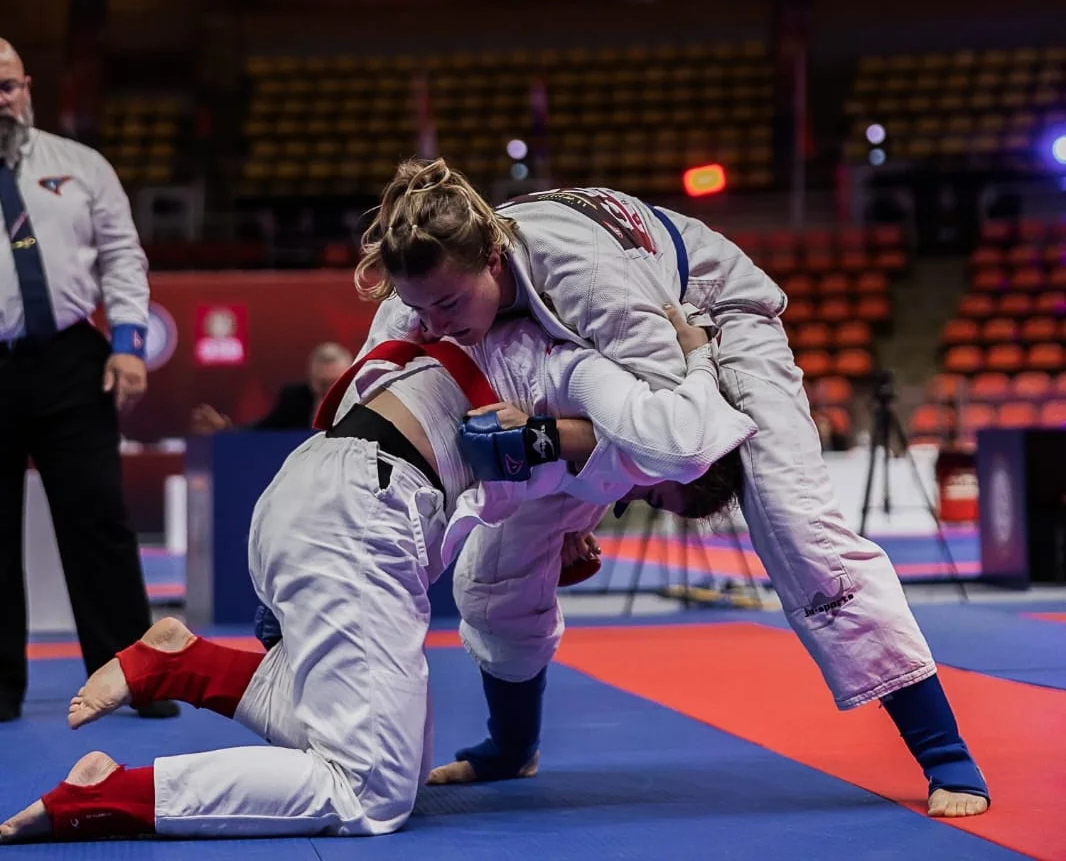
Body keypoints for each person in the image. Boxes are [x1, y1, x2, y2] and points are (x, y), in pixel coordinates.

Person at [351, 158, 990, 819]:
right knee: (494, 568)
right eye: (420, 309)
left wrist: (563, 466)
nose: (434, 325)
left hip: (706, 324)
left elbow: (679, 437)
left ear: (492, 258)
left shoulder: (585, 276)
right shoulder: (421, 293)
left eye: (449, 305)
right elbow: (363, 418)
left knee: (796, 528)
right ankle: (511, 746)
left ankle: (943, 751)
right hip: (587, 355)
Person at [0, 304, 753, 843]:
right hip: (359, 517)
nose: (627, 498)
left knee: (401, 761)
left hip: (319, 490)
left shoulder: (476, 330)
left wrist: (565, 519)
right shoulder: (595, 391)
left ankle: (185, 665)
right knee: (370, 792)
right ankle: (113, 795)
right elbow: (673, 439)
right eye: (652, 492)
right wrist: (695, 356)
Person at [0, 38, 175, 723]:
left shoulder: (80, 166)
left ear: (27, 87)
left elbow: (123, 257)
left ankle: (131, 675)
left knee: (99, 517)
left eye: (7, 87)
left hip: (72, 358)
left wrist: (128, 344)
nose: (1, 101)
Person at [190, 342, 352, 434]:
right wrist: (229, 431)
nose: (328, 391)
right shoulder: (294, 399)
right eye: (322, 384)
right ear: (311, 379)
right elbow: (264, 430)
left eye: (335, 383)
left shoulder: (360, 401)